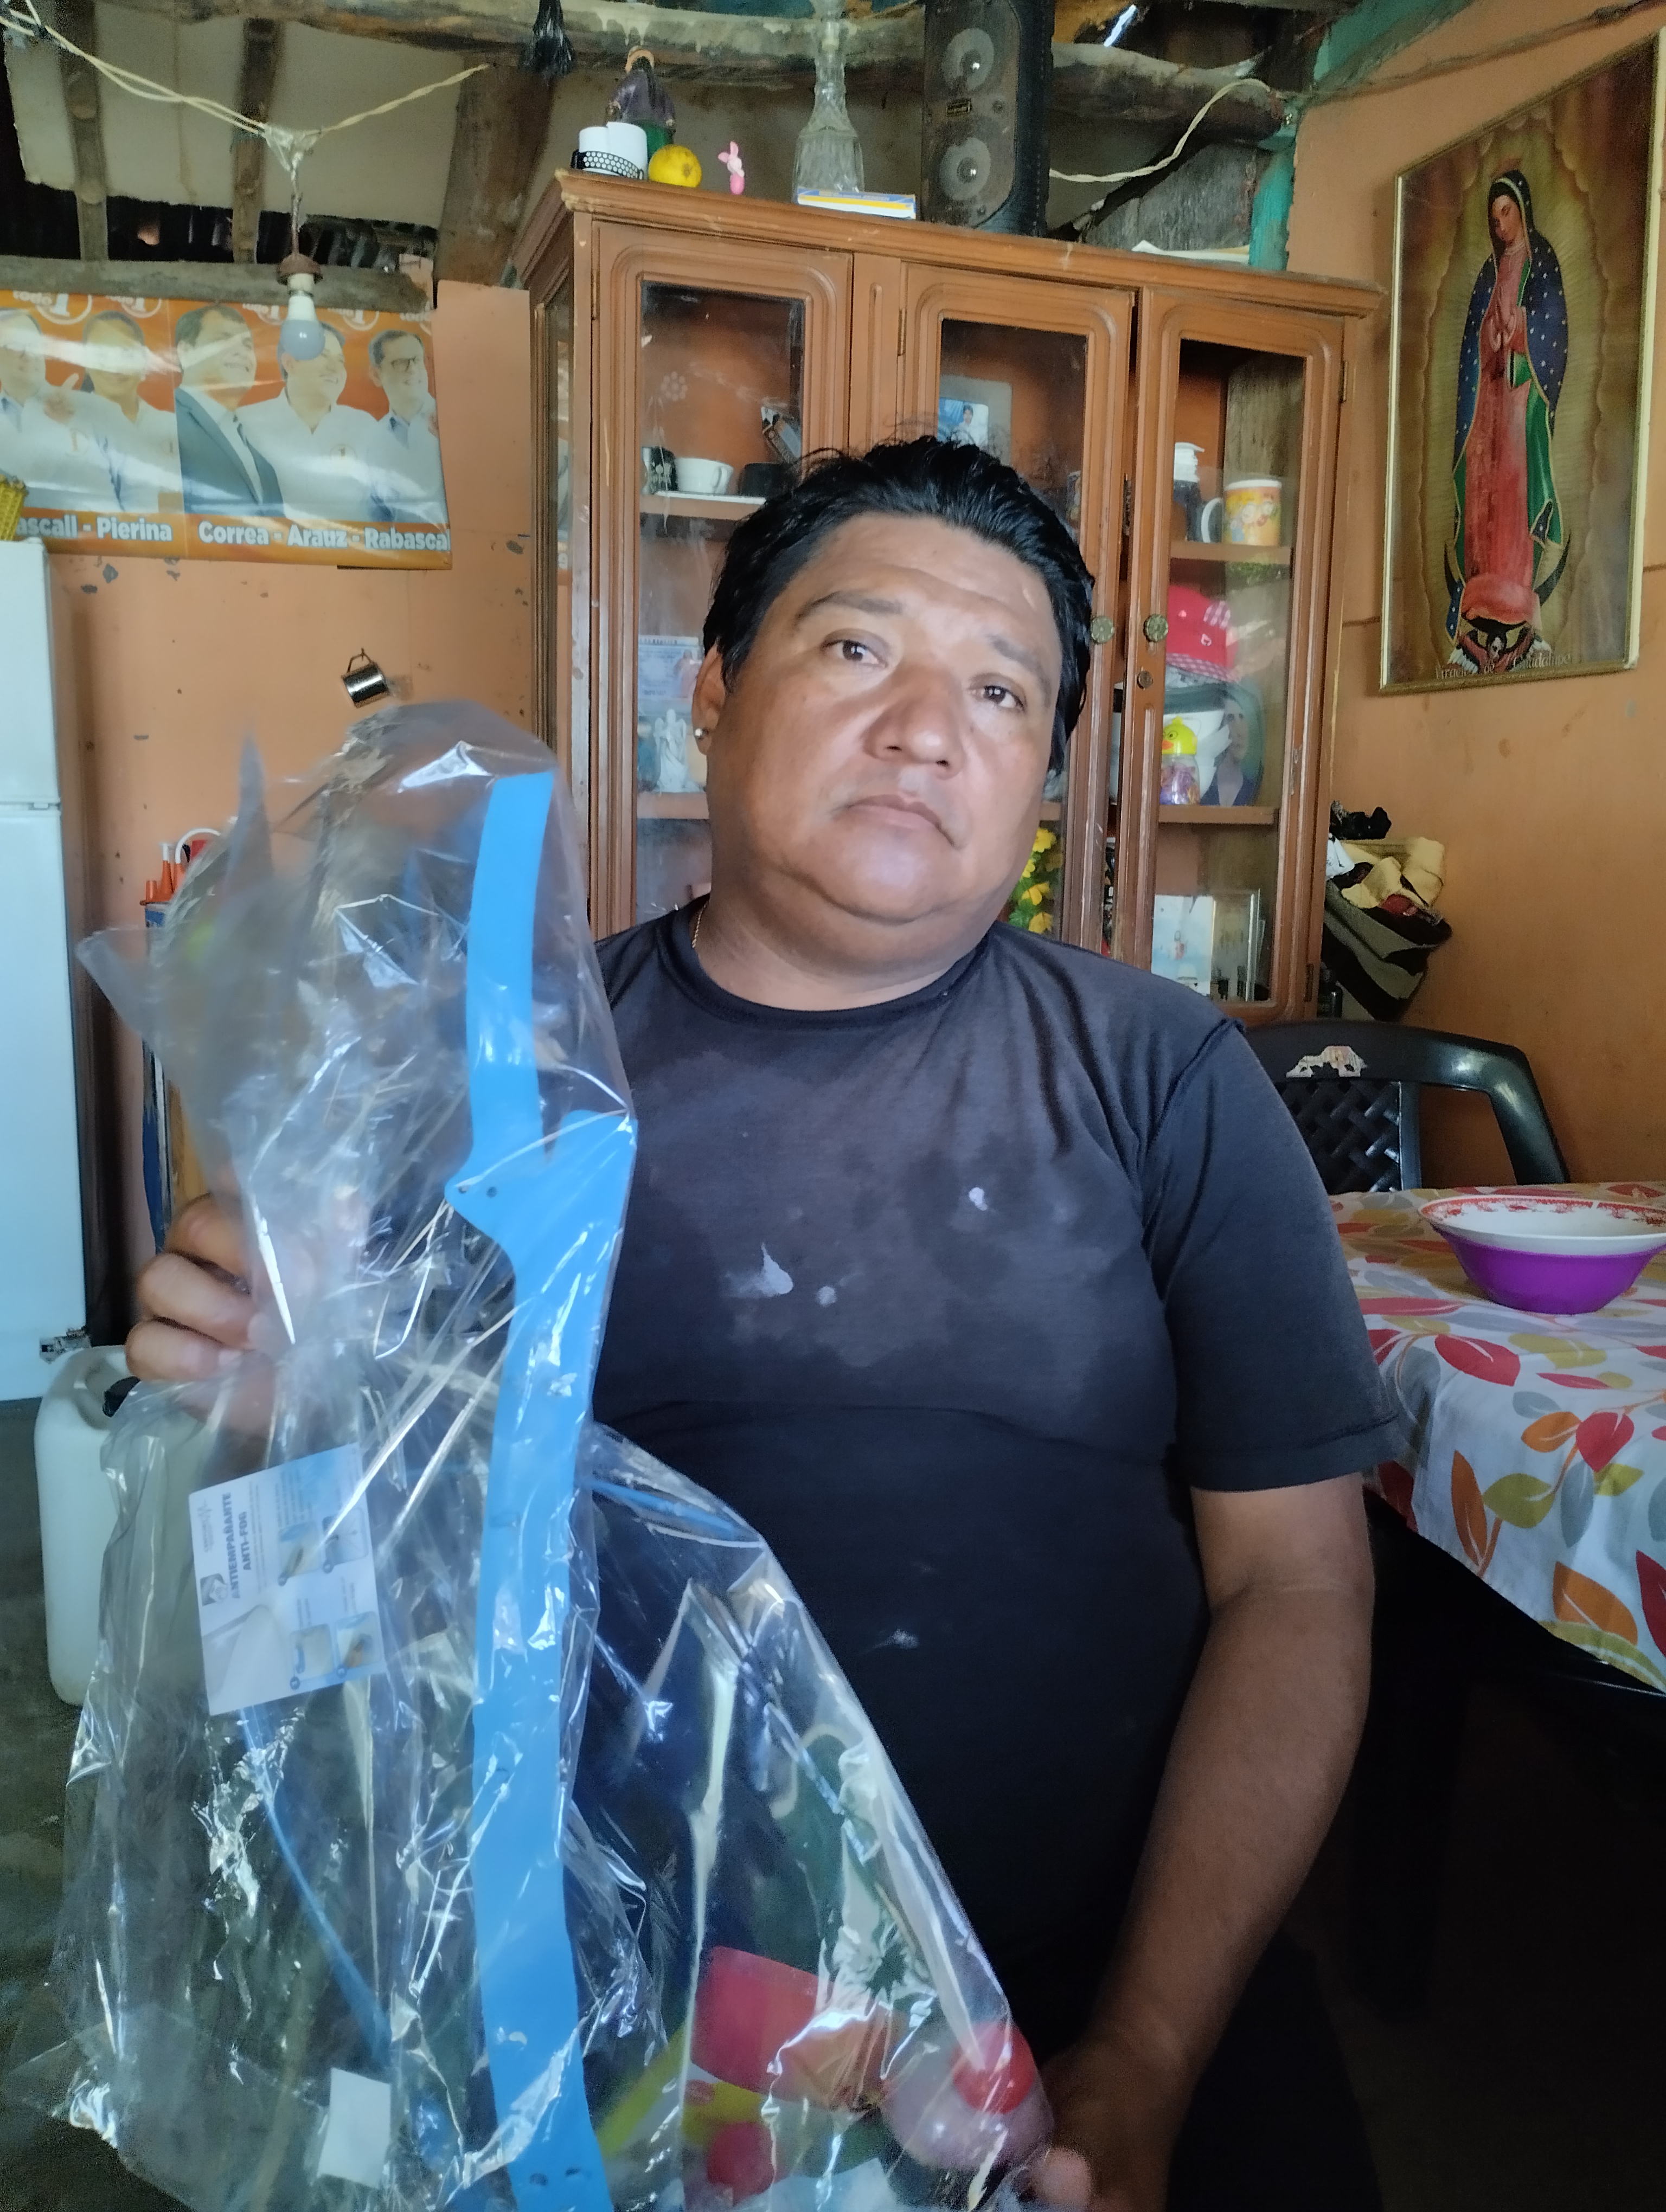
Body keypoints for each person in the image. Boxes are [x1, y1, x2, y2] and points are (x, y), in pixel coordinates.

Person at [129, 439, 1395, 2212]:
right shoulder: (503, 1099)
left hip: (1101, 1987)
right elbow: (323, 1627)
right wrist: (267, 1429)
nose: (928, 730)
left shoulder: (1164, 1078)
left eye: (1002, 689)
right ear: (711, 696)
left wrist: (1148, 2051)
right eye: (857, 647)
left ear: (1044, 773)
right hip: (602, 2024)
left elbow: (1300, 1585)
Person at [1446, 169, 1568, 676]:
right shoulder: (1489, 273)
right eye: (1494, 217)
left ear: (1523, 211)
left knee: (1516, 492)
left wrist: (1519, 332)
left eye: (1506, 213)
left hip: (1520, 399)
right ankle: (1481, 595)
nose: (1500, 225)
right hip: (1489, 401)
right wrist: (1488, 340)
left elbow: (1552, 330)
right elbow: (1473, 341)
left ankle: (1516, 595)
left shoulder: (1542, 264)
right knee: (1483, 493)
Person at [240, 320, 381, 524]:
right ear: (290, 364)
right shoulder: (245, 423)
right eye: (323, 356)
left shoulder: (365, 426)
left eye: (340, 361)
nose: (335, 368)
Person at [55, 307, 183, 513]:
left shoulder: (174, 428)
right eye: (101, 354)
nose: (114, 365)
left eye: (126, 353)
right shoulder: (62, 423)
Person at [0, 306, 119, 511]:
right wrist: (55, 426)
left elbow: (140, 489)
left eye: (34, 344)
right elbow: (27, 477)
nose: (28, 353)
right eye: (14, 344)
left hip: (102, 529)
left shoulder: (97, 408)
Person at [173, 304, 283, 517]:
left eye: (247, 345)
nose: (242, 353)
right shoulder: (165, 420)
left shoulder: (265, 468)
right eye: (225, 341)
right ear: (187, 353)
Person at [364, 325, 448, 528]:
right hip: (402, 545)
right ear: (376, 375)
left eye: (417, 360)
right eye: (401, 363)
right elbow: (375, 514)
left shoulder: (451, 422)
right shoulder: (373, 439)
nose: (412, 369)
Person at [1200, 681, 1265, 808]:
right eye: (1230, 718)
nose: (1239, 731)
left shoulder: (1254, 791)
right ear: (1219, 726)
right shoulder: (1203, 785)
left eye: (1243, 717)